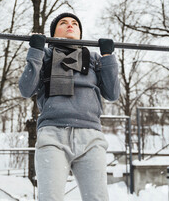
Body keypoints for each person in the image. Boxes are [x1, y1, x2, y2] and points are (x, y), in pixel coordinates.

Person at [19, 13, 120, 201]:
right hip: (53, 136)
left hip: (90, 137)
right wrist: (35, 51)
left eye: (74, 23)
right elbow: (26, 89)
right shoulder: (45, 56)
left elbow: (112, 94)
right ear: (53, 31)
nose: (70, 25)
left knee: (97, 198)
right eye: (63, 23)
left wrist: (108, 57)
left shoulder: (93, 58)